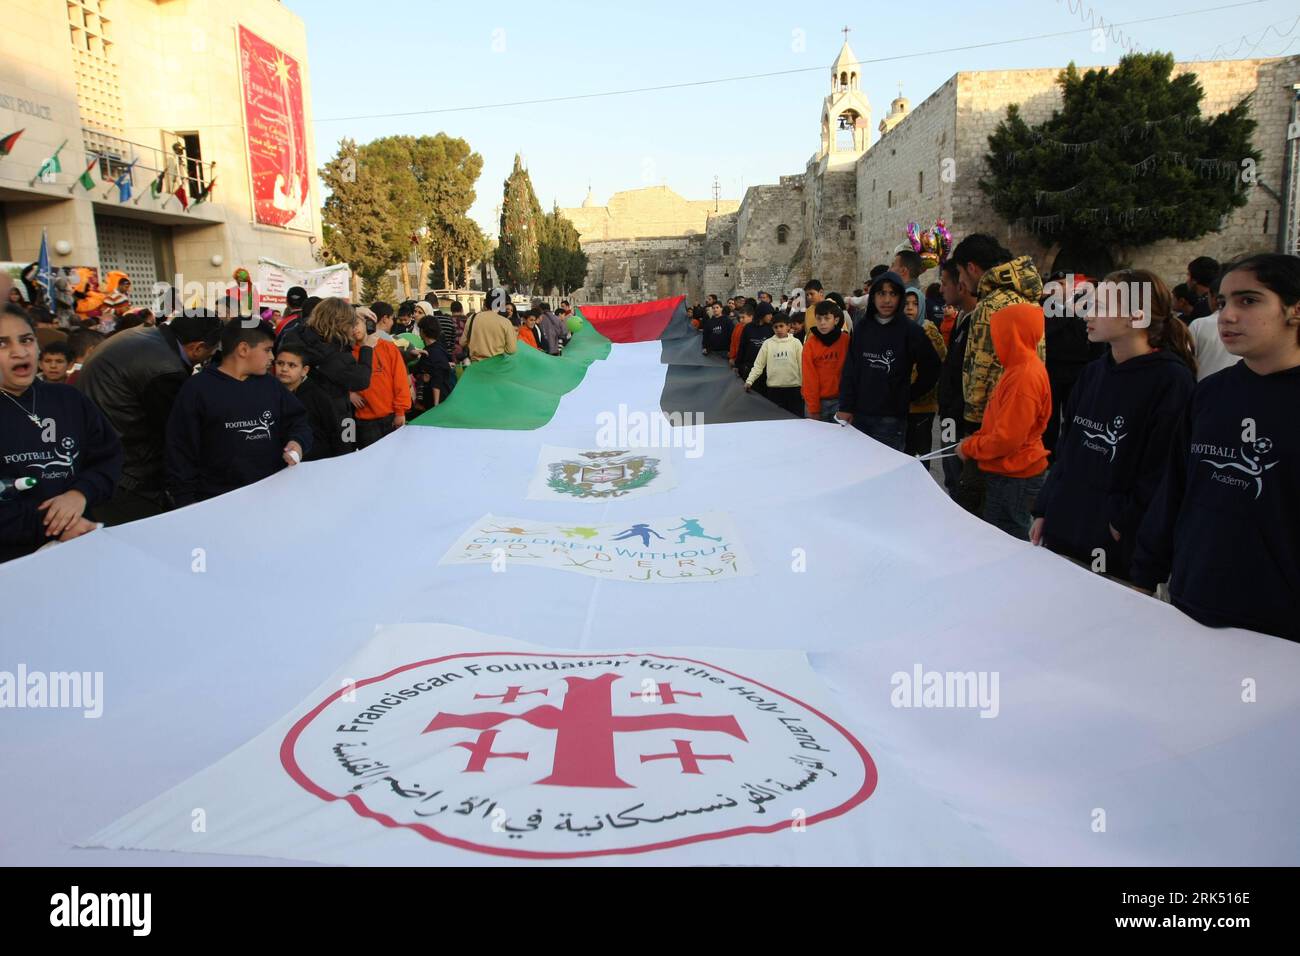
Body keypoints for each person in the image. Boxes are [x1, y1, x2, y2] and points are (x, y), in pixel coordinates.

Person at [1132, 253, 1300, 641]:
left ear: (1294, 309)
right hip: (1193, 603)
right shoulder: (1210, 393)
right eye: (1222, 302)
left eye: (1249, 301)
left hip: (1280, 631)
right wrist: (1144, 573)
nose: (1227, 316)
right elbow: (1175, 490)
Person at [1030, 271, 1197, 581]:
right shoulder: (1093, 372)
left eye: (1101, 306)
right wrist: (1045, 507)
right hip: (1065, 525)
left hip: (1114, 547)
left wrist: (1123, 520)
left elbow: (1162, 469)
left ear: (1137, 315)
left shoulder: (1171, 381)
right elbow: (1069, 446)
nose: (1088, 314)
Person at [0, 304, 123, 563]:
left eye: (26, 340)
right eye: (2, 344)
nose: (19, 352)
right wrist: (55, 525)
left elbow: (107, 458)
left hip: (81, 546)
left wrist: (80, 494)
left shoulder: (69, 399)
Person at [75, 311, 222, 524]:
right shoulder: (165, 369)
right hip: (127, 473)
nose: (210, 357)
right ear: (197, 348)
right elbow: (177, 432)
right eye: (211, 351)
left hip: (101, 450)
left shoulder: (147, 335)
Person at [166, 319, 310, 507]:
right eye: (267, 350)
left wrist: (297, 442)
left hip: (271, 495)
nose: (272, 357)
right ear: (243, 349)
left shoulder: (272, 386)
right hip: (217, 501)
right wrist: (185, 501)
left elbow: (299, 422)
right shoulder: (197, 389)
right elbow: (180, 450)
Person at [950, 234, 1045, 513]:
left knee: (980, 510)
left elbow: (979, 370)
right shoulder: (1029, 300)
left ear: (972, 268)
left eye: (960, 273)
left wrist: (973, 430)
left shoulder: (990, 306)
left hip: (992, 427)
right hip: (1023, 420)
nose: (961, 282)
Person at [955, 301, 1051, 540]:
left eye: (998, 334)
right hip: (1009, 472)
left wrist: (970, 447)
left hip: (1014, 475)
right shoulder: (1018, 369)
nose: (994, 340)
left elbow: (1006, 439)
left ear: (1013, 335)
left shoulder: (1023, 377)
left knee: (1003, 540)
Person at [836, 271, 941, 451]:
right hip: (859, 414)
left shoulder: (910, 330)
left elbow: (932, 366)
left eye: (893, 294)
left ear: (900, 297)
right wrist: (845, 406)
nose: (887, 300)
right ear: (873, 296)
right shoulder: (862, 328)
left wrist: (908, 394)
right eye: (881, 293)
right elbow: (851, 369)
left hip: (891, 419)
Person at [279, 297, 375, 455]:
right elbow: (361, 380)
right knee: (345, 456)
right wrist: (366, 348)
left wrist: (351, 311)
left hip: (301, 415)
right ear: (340, 323)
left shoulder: (295, 336)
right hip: (338, 416)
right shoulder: (337, 352)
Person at [937, 261, 978, 502]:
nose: (941, 289)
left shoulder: (977, 323)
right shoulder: (961, 317)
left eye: (944, 283)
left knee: (959, 476)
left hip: (961, 417)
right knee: (950, 471)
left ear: (960, 286)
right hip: (949, 414)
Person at [273, 342, 340, 461]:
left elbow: (335, 431)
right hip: (281, 462)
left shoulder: (319, 396)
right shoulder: (269, 392)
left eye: (292, 365)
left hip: (316, 462)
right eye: (280, 363)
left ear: (304, 370)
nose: (284, 369)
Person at [904, 287, 947, 458]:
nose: (910, 308)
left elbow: (941, 359)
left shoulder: (928, 330)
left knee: (920, 452)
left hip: (923, 403)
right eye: (906, 303)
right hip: (900, 403)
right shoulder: (898, 329)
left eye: (915, 304)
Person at [802, 299, 850, 422]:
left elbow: (851, 374)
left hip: (841, 402)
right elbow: (809, 378)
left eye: (827, 318)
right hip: (816, 402)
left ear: (836, 320)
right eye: (819, 319)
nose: (822, 323)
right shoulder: (810, 344)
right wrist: (814, 409)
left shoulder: (846, 341)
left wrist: (849, 405)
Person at [745, 315, 803, 415]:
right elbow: (758, 365)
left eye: (781, 326)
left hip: (794, 389)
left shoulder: (796, 343)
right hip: (774, 389)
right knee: (776, 419)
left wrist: (805, 386)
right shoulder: (767, 343)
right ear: (772, 328)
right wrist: (750, 381)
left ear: (788, 326)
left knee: (796, 420)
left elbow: (802, 365)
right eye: (776, 327)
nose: (778, 329)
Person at [1187, 272, 1240, 381]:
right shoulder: (1247, 324)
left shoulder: (1198, 325)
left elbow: (1187, 359)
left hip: (1203, 385)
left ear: (1213, 297)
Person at [460, 290, 519, 363]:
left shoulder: (472, 318)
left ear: (486, 302)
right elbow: (511, 350)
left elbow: (462, 342)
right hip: (496, 365)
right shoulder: (505, 322)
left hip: (476, 365)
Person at [413, 313, 455, 412]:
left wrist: (436, 408)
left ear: (423, 331)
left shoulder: (431, 352)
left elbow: (437, 381)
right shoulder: (438, 348)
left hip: (436, 402)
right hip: (441, 398)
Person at [1185, 256, 1219, 321]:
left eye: (1188, 275)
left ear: (1194, 280)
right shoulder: (1217, 301)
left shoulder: (1200, 307)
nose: (1187, 280)